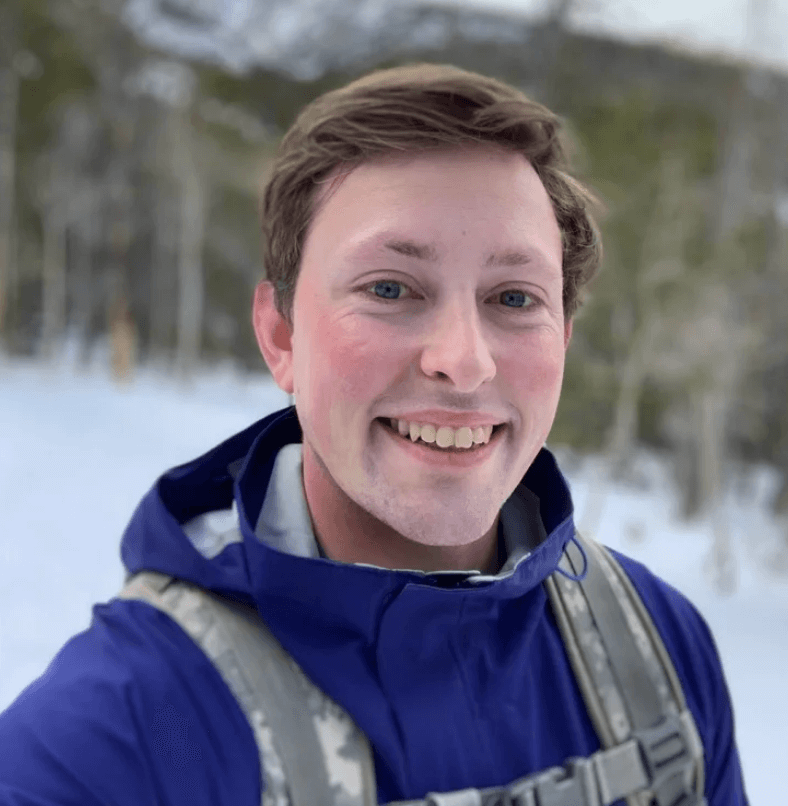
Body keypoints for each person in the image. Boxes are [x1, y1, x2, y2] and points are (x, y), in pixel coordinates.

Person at [0, 63, 748, 806]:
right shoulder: (111, 741)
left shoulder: (654, 655)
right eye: (390, 288)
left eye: (515, 297)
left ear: (564, 338)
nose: (463, 360)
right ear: (280, 335)